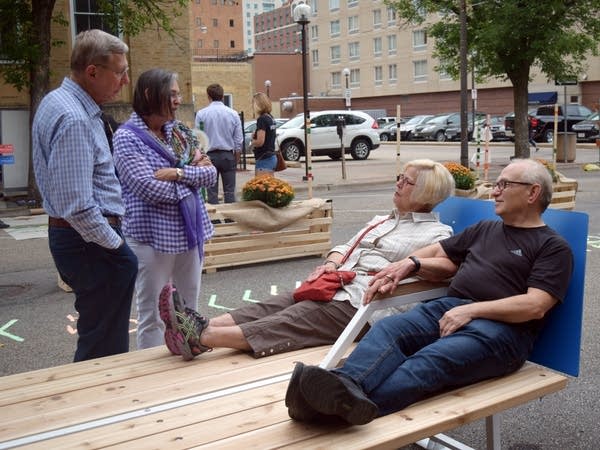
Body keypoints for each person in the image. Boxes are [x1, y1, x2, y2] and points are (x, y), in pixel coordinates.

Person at [284, 158, 574, 426]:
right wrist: (407, 264)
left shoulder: (552, 247)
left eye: (504, 185)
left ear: (533, 193)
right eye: (496, 184)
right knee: (389, 329)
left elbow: (535, 305)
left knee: (427, 362)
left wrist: (471, 310)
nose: (494, 191)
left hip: (501, 332)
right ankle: (340, 388)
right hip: (448, 309)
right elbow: (437, 250)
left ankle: (333, 412)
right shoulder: (485, 229)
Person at [158, 159, 455, 361]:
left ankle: (201, 337)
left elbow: (447, 269)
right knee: (274, 305)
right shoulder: (382, 219)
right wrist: (331, 264)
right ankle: (199, 323)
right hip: (336, 284)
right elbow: (345, 245)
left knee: (291, 320)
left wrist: (410, 266)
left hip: (364, 304)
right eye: (400, 177)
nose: (399, 183)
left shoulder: (437, 233)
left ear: (427, 192)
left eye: (408, 181)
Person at [32, 29, 138, 362]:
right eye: (119, 72)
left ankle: (101, 402)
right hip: (89, 243)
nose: (125, 80)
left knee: (100, 335)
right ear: (92, 71)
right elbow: (77, 206)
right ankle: (102, 404)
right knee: (103, 345)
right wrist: (118, 247)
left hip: (81, 241)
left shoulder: (59, 102)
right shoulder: (74, 117)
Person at [112, 69, 217, 350]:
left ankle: (184, 358)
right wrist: (191, 178)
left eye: (178, 94)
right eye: (172, 94)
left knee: (187, 310)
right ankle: (152, 377)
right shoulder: (127, 138)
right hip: (151, 239)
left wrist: (177, 174)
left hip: (189, 232)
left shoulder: (179, 133)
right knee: (153, 316)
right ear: (149, 94)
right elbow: (150, 189)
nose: (177, 100)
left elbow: (211, 174)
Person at [194, 84, 243, 204]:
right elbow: (238, 140)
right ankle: (230, 218)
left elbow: (198, 138)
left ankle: (214, 218)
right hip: (228, 155)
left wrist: (200, 158)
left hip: (209, 156)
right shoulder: (233, 114)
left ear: (208, 96)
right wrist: (236, 158)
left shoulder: (201, 114)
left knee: (211, 192)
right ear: (222, 96)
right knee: (230, 191)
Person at [250, 92, 277, 176]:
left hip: (264, 158)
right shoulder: (270, 117)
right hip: (271, 156)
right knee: (269, 186)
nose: (252, 106)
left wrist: (252, 142)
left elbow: (260, 142)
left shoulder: (262, 119)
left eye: (253, 103)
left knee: (262, 187)